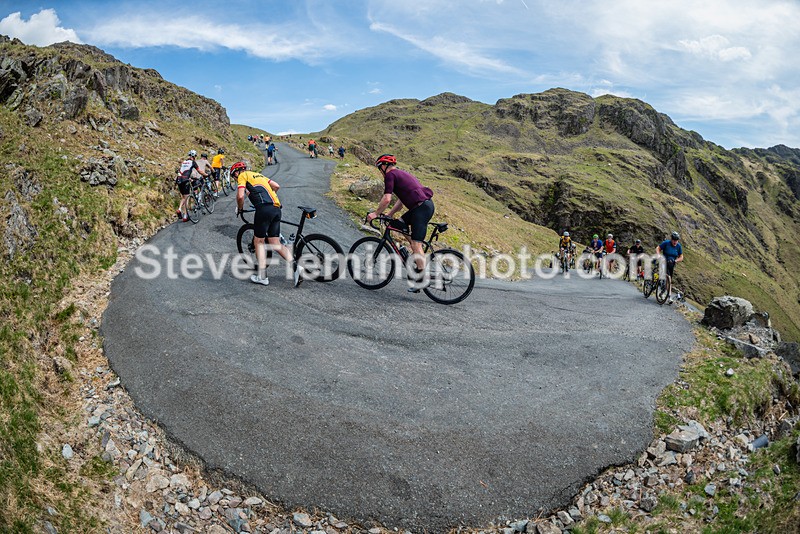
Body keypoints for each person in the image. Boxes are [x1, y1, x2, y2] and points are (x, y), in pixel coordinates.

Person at [366, 154, 434, 291]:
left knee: (416, 243)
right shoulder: (401, 174)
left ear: (384, 166)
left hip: (421, 209)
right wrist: (390, 214)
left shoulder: (390, 175)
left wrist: (375, 214)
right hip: (420, 208)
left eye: (380, 168)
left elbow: (386, 199)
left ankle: (422, 279)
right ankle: (412, 254)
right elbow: (401, 201)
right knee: (400, 223)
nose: (380, 171)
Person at [232, 161, 301, 287]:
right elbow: (276, 186)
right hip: (276, 208)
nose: (235, 178)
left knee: (258, 242)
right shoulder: (258, 175)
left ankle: (262, 277)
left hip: (263, 209)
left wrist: (240, 208)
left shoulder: (243, 176)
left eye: (234, 176)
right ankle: (296, 268)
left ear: (237, 172)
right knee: (275, 243)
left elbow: (240, 196)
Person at [176, 150, 206, 221]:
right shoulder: (193, 162)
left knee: (183, 197)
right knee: (186, 198)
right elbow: (199, 171)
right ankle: (185, 216)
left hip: (179, 180)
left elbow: (183, 171)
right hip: (186, 180)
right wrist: (206, 175)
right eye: (195, 156)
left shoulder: (184, 162)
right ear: (194, 156)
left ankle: (180, 209)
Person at [656, 231, 684, 302]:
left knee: (669, 280)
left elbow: (681, 257)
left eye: (676, 240)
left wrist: (676, 261)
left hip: (671, 264)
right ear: (671, 239)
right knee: (667, 277)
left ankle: (664, 293)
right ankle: (668, 296)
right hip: (664, 261)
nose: (675, 242)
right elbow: (658, 248)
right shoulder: (666, 243)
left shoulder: (678, 246)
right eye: (674, 240)